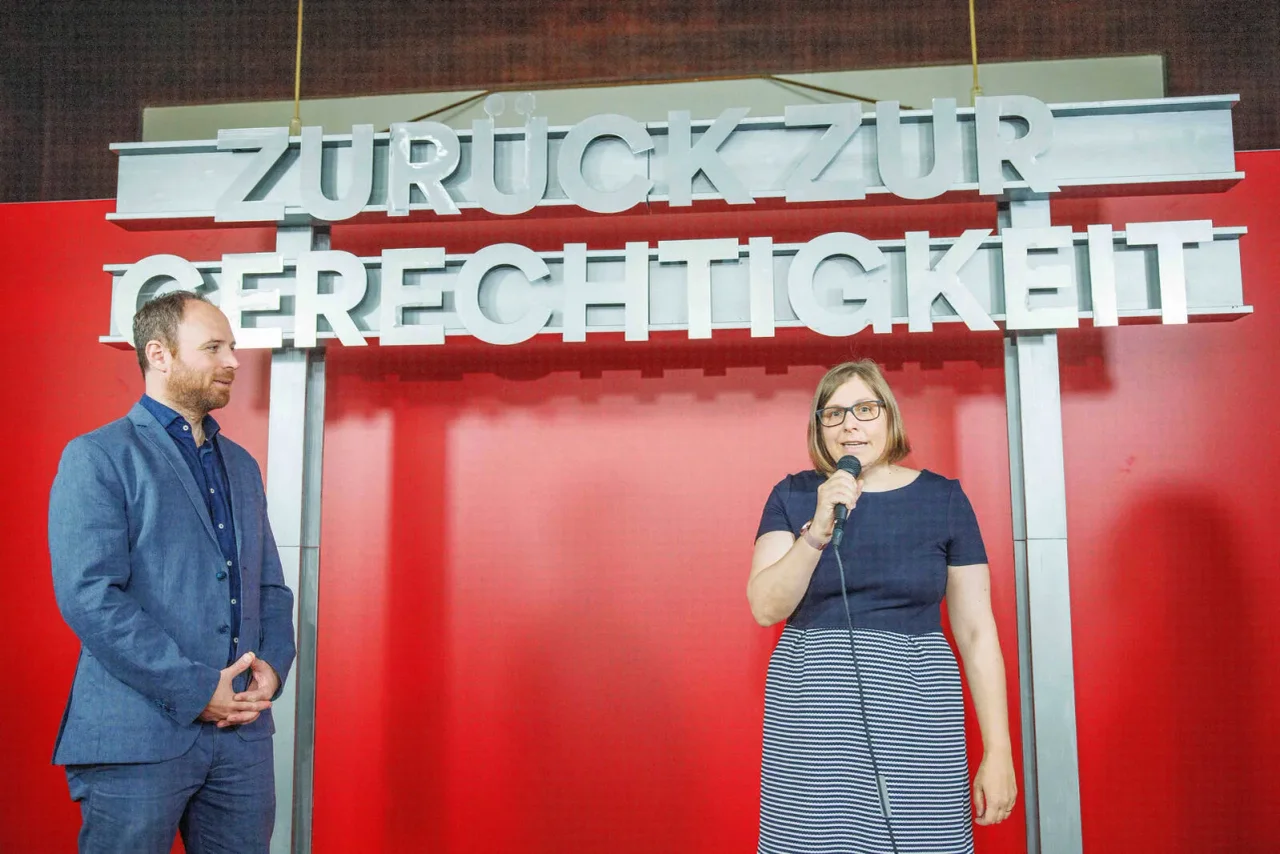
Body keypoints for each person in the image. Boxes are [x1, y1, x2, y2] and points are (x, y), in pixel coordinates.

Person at [48, 290, 296, 853]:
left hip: (242, 742)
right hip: (136, 738)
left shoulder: (241, 464)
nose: (233, 360)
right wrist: (194, 689)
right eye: (214, 347)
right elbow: (90, 596)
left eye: (231, 346)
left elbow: (269, 588)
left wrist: (272, 672)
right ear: (159, 355)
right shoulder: (97, 456)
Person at [748, 359, 1017, 854]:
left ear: (889, 417)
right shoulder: (793, 495)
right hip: (813, 727)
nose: (850, 423)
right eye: (834, 413)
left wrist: (998, 748)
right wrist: (816, 533)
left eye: (865, 409)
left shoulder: (944, 499)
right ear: (820, 428)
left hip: (918, 721)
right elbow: (766, 606)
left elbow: (978, 633)